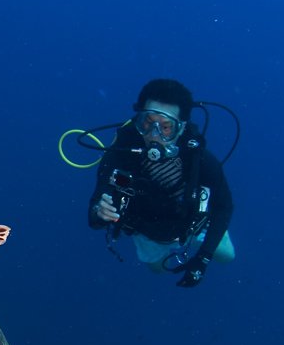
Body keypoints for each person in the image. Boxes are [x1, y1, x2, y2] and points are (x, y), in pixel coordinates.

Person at [87, 79, 235, 288]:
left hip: (192, 226)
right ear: (139, 119)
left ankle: (205, 242)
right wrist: (100, 213)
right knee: (157, 269)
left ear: (181, 127)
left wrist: (202, 259)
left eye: (166, 127)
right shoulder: (120, 154)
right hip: (146, 232)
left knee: (227, 255)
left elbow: (224, 207)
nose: (154, 135)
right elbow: (94, 217)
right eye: (148, 122)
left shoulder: (200, 159)